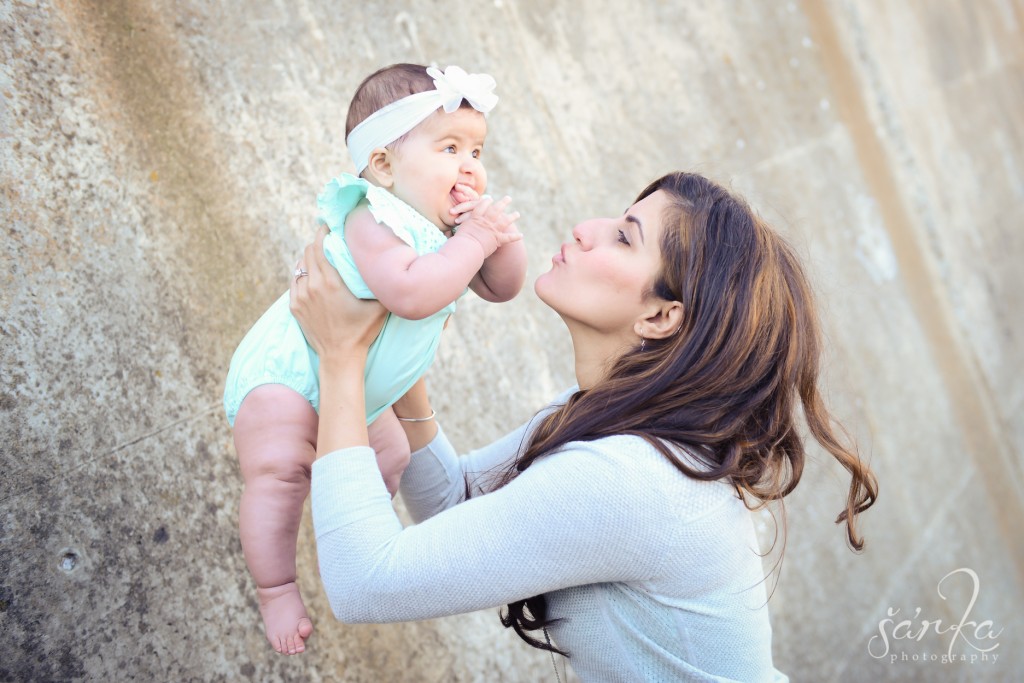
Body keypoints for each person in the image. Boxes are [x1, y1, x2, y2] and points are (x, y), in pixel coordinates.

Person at [289, 171, 879, 680]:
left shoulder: (631, 480)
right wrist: (400, 358)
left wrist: (342, 358)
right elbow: (455, 502)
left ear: (660, 315)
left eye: (624, 237)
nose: (585, 228)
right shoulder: (607, 417)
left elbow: (363, 583)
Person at [222, 63, 526, 655]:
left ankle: (353, 518)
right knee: (279, 474)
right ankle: (276, 586)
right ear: (384, 165)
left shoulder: (451, 231)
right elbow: (412, 293)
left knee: (390, 453)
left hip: (358, 392)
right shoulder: (370, 216)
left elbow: (502, 286)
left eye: (477, 150)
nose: (470, 165)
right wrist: (475, 241)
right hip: (287, 377)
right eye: (449, 147)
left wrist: (499, 238)